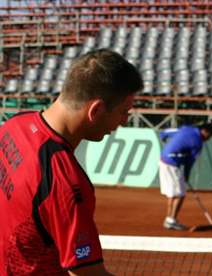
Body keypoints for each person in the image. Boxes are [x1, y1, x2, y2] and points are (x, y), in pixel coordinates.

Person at [0, 49, 143, 275]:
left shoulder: (13, 125)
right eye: (124, 112)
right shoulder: (65, 183)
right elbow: (88, 273)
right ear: (95, 110)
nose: (124, 121)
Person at [159, 123, 212, 230]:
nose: (209, 138)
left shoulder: (186, 128)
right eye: (210, 135)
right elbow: (189, 163)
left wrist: (164, 141)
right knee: (180, 194)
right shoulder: (197, 142)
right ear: (205, 131)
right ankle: (171, 220)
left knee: (173, 194)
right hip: (172, 164)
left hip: (163, 160)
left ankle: (169, 218)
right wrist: (186, 176)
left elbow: (165, 133)